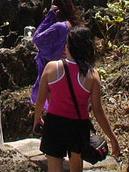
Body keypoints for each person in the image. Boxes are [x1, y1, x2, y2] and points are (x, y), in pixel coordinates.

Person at [33, 26, 120, 172]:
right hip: (79, 127)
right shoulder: (92, 75)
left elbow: (40, 100)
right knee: (76, 168)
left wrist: (37, 119)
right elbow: (98, 111)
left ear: (68, 46)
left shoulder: (51, 68)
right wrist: (112, 138)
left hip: (55, 124)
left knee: (54, 168)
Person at [31, 0, 81, 105]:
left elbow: (36, 39)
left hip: (55, 70)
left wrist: (49, 16)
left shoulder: (59, 27)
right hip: (70, 69)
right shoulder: (73, 25)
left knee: (50, 100)